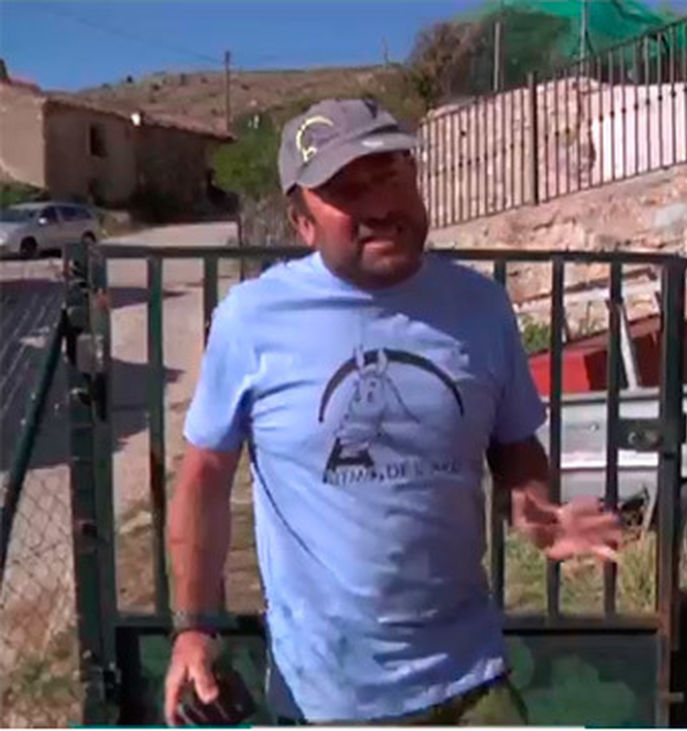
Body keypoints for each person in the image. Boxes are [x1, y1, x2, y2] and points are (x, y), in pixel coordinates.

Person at [162, 98, 622, 726]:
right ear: (302, 223)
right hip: (329, 697)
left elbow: (514, 447)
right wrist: (194, 628)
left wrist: (539, 515)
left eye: (391, 176)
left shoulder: (481, 308)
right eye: (348, 191)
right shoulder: (252, 320)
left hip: (470, 677)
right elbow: (204, 479)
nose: (380, 205)